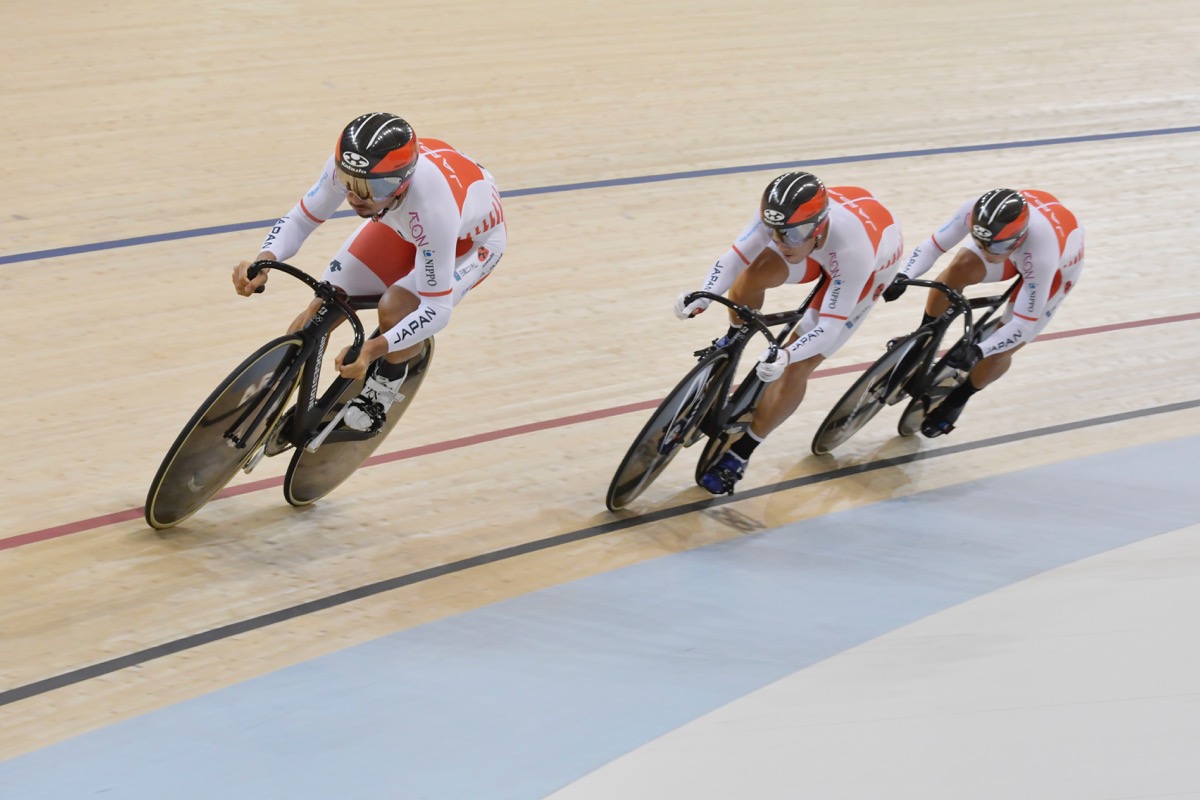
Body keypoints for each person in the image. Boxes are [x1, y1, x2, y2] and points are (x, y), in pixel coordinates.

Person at [231, 112, 506, 431]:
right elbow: (302, 218)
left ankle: (383, 390)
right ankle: (273, 386)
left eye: (371, 188)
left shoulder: (433, 208)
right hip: (403, 225)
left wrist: (371, 350)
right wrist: (264, 260)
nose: (355, 196)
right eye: (349, 183)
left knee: (396, 307)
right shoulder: (356, 168)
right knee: (322, 304)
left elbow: (437, 309)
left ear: (402, 181)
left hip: (469, 243)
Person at [675, 171, 904, 494]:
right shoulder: (779, 218)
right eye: (776, 233)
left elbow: (828, 327)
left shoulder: (854, 251)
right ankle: (733, 343)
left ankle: (741, 454)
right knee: (754, 273)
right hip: (821, 246)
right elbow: (734, 259)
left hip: (868, 268)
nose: (782, 243)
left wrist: (786, 354)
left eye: (792, 235)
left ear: (820, 223)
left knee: (797, 366)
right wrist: (703, 293)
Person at [882, 188, 1083, 437]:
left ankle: (959, 398)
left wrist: (979, 351)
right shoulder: (975, 211)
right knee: (958, 268)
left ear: (1018, 238)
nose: (987, 254)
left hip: (1054, 272)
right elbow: (933, 246)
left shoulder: (1042, 253)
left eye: (994, 247)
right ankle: (923, 340)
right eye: (980, 243)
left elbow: (1022, 324)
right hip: (1008, 245)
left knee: (1002, 349)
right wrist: (903, 276)